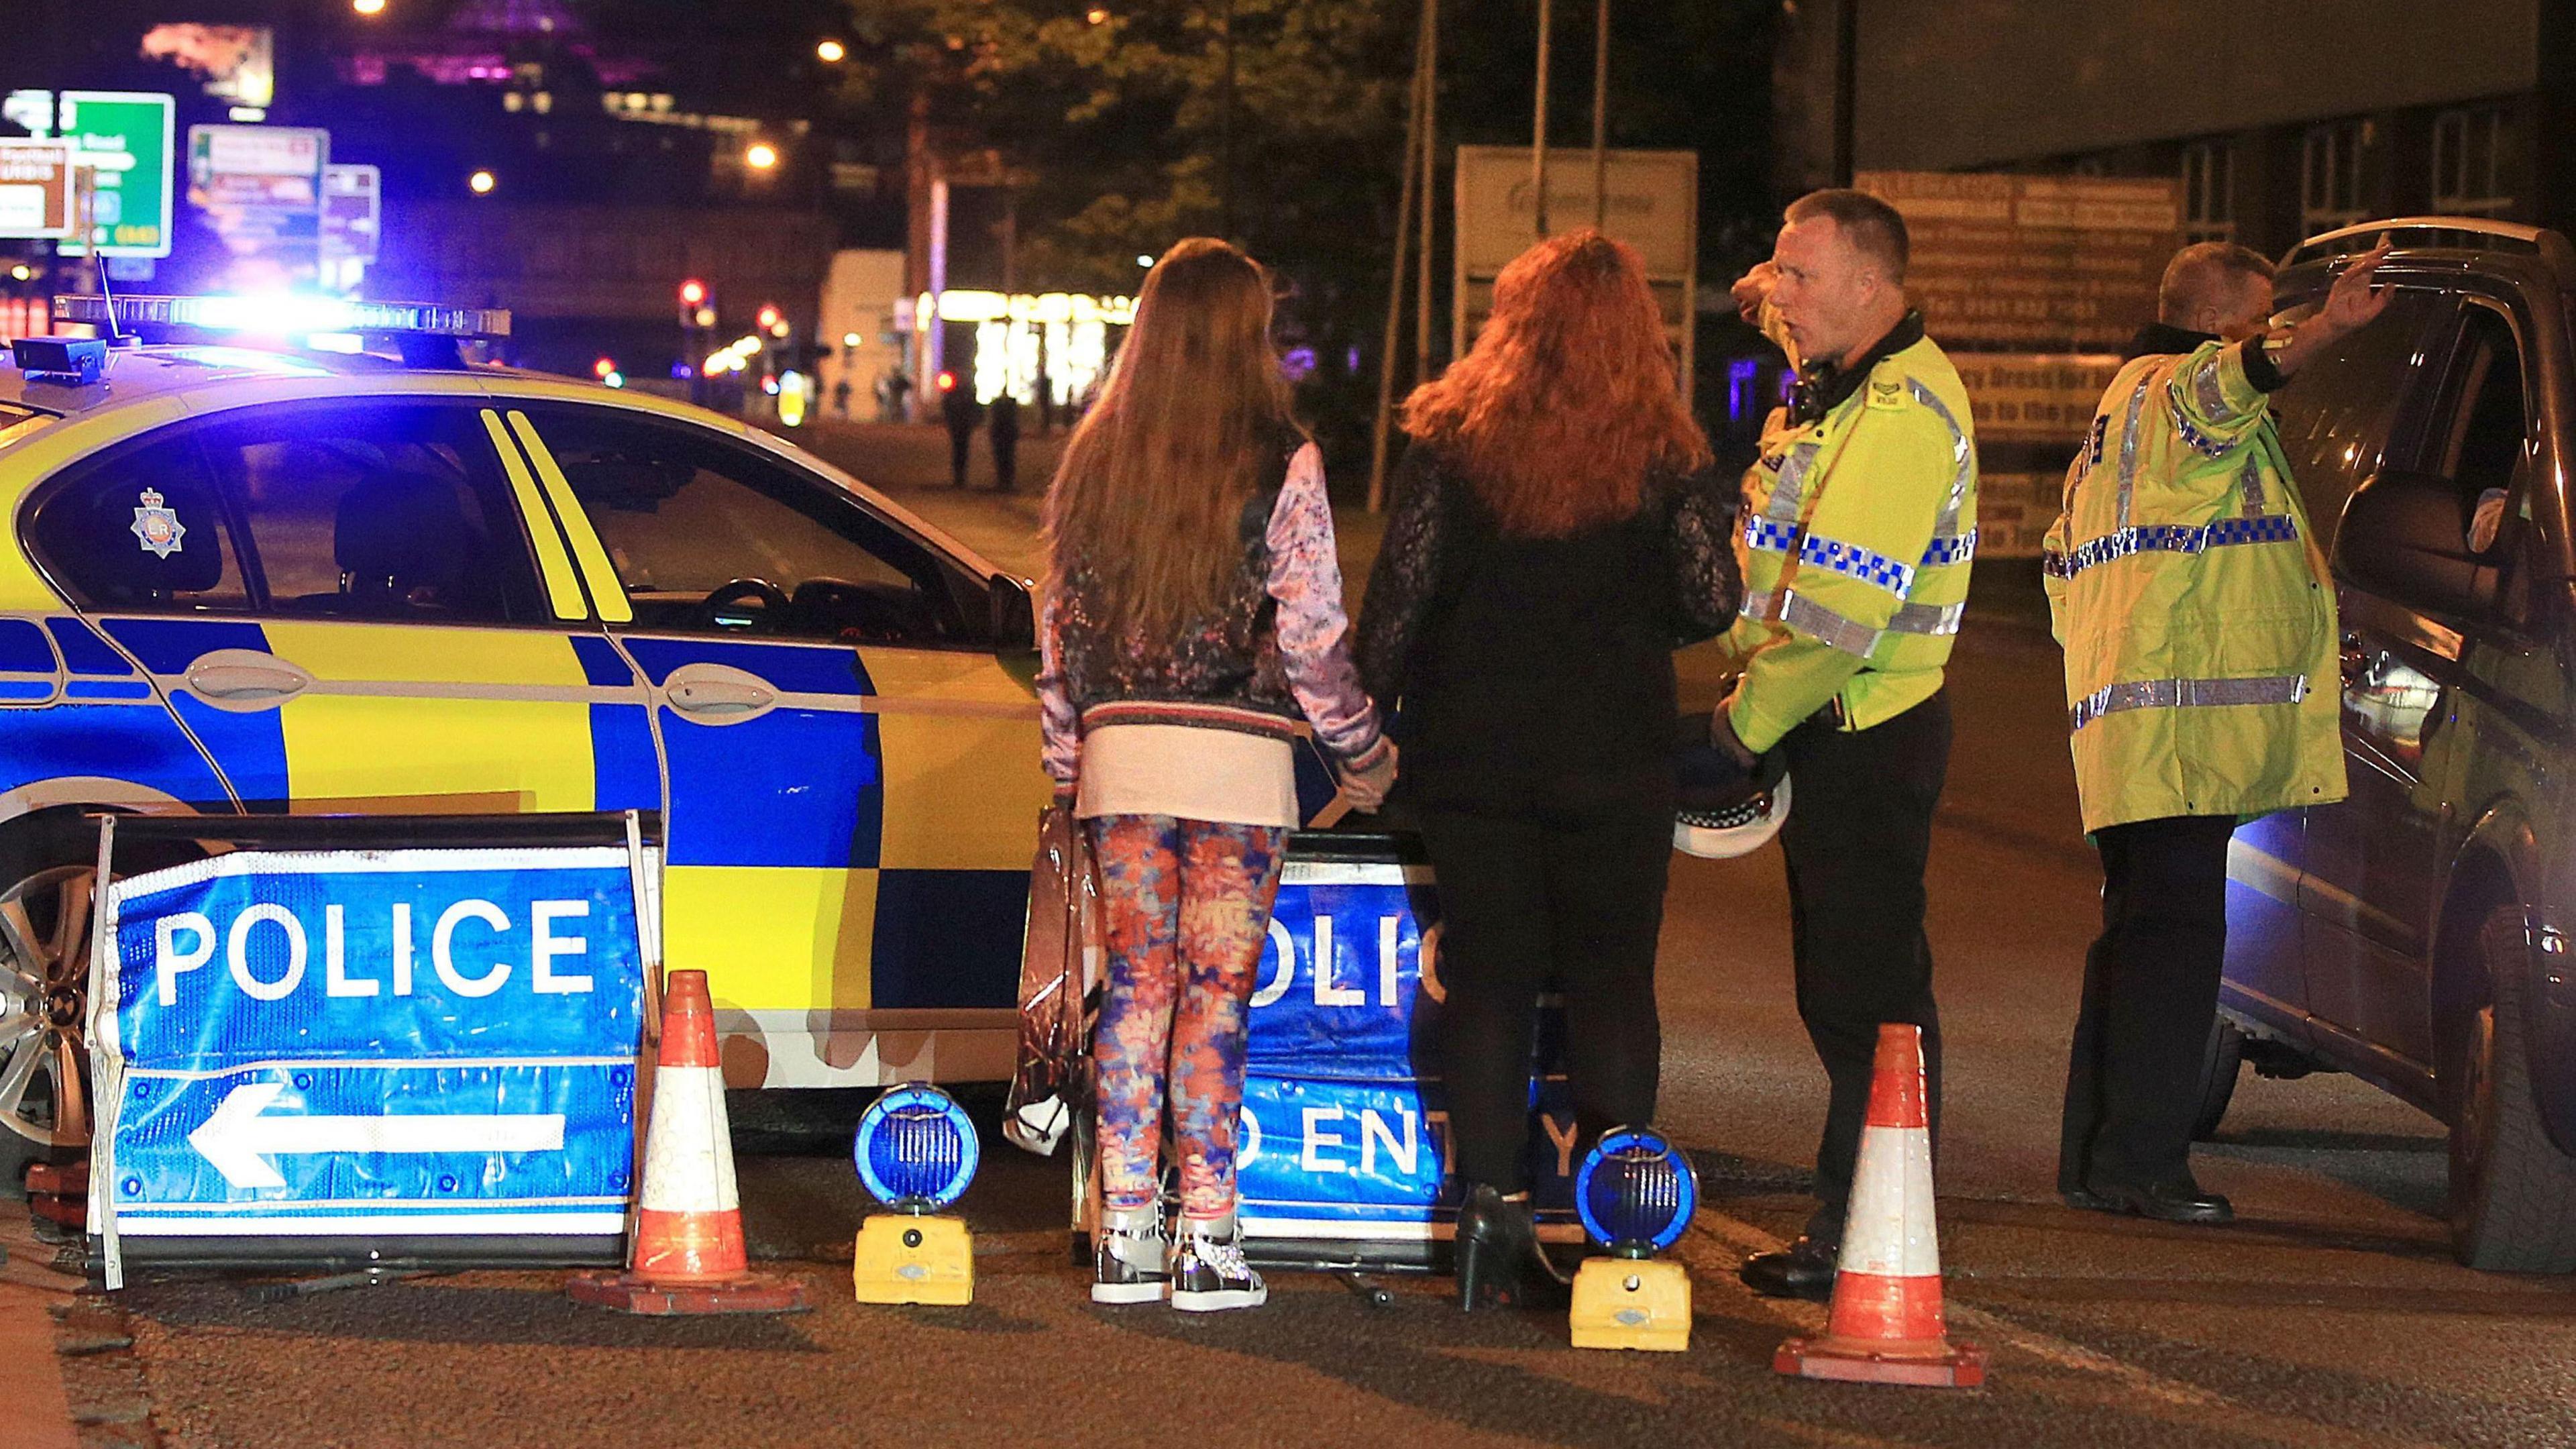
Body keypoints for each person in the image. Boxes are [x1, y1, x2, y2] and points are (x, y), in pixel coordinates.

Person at [1356, 229, 1742, 1311]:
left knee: (1492, 985)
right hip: (1613, 756)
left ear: (1510, 325)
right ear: (1639, 338)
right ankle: (1619, 1231)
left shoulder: (1451, 441)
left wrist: (1358, 724)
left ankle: (1488, 1221)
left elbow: (1395, 613)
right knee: (1615, 984)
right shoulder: (1666, 455)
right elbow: (1711, 601)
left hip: (1476, 753)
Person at [1036, 237, 1397, 1311]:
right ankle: (1210, 1239)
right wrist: (1365, 755)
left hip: (1124, 759)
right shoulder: (1283, 460)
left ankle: (1126, 1232)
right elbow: (1312, 639)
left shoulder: (1094, 460)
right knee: (1215, 1001)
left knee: (1137, 990)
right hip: (1242, 767)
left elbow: (1057, 632)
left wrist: (1068, 764)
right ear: (1251, 333)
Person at [2045, 239, 2392, 1225]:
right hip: (2180, 741)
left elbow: (2063, 564)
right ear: (2217, 327)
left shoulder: (2117, 417)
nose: (2268, 337)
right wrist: (2326, 328)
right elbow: (2229, 386)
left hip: (2132, 730)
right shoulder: (2176, 395)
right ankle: (2143, 1169)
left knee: (2134, 943)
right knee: (2175, 954)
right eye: (2258, 322)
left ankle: (2098, 1156)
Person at [1722, 190, 1980, 1301]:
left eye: (1802, 276)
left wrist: (1740, 728)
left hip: (1860, 729)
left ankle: (1869, 1223)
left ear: (1874, 288)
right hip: (1839, 724)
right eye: (1776, 271)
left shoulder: (1899, 413)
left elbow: (1838, 614)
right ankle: (1871, 1214)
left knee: (1866, 996)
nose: (1780, 292)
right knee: (1849, 990)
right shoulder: (1848, 388)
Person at [940, 374, 980, 488]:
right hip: (959, 427)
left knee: (961, 452)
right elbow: (947, 409)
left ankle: (960, 478)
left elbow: (974, 410)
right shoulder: (957, 395)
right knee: (959, 452)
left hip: (962, 427)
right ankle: (959, 478)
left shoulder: (963, 395)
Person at [990, 390, 1023, 494]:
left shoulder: (1007, 405)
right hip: (1003, 434)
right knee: (1003, 459)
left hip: (1005, 435)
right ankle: (1004, 482)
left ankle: (1006, 482)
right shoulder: (1005, 405)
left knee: (1007, 459)